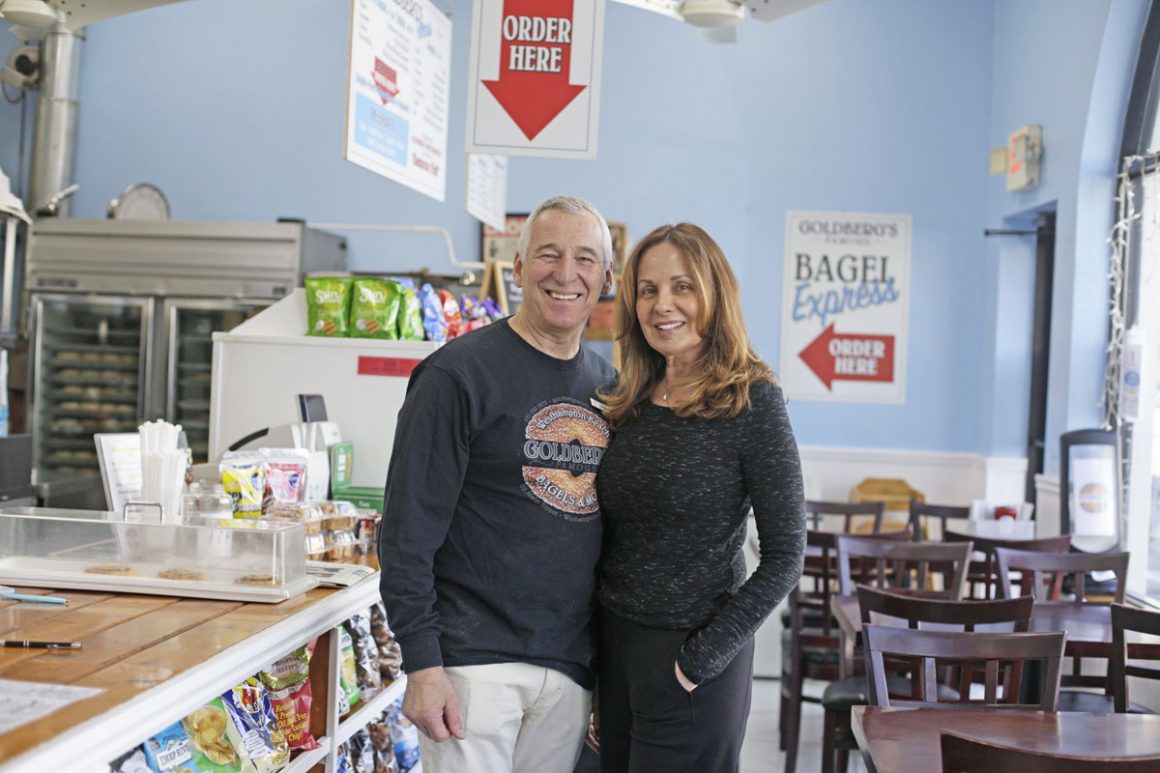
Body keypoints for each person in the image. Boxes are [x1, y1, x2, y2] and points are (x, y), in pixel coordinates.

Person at [378, 195, 617, 773]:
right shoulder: (457, 375)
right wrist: (423, 665)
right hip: (470, 669)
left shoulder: (609, 386)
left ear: (606, 278)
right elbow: (406, 531)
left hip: (568, 671)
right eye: (548, 255)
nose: (566, 274)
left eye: (584, 259)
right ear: (517, 267)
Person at [594, 222, 806, 772]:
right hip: (614, 652)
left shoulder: (753, 400)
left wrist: (701, 659)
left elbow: (786, 555)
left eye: (682, 286)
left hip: (693, 661)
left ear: (714, 293)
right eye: (648, 290)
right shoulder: (628, 397)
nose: (663, 305)